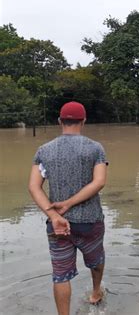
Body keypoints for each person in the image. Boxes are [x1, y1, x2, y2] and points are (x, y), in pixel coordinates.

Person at [28, 101, 108, 315]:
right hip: (90, 221)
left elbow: (34, 186)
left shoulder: (44, 150)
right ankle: (96, 292)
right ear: (84, 121)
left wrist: (54, 214)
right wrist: (71, 203)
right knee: (96, 259)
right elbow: (99, 182)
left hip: (58, 226)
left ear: (59, 121)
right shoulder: (95, 148)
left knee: (60, 274)